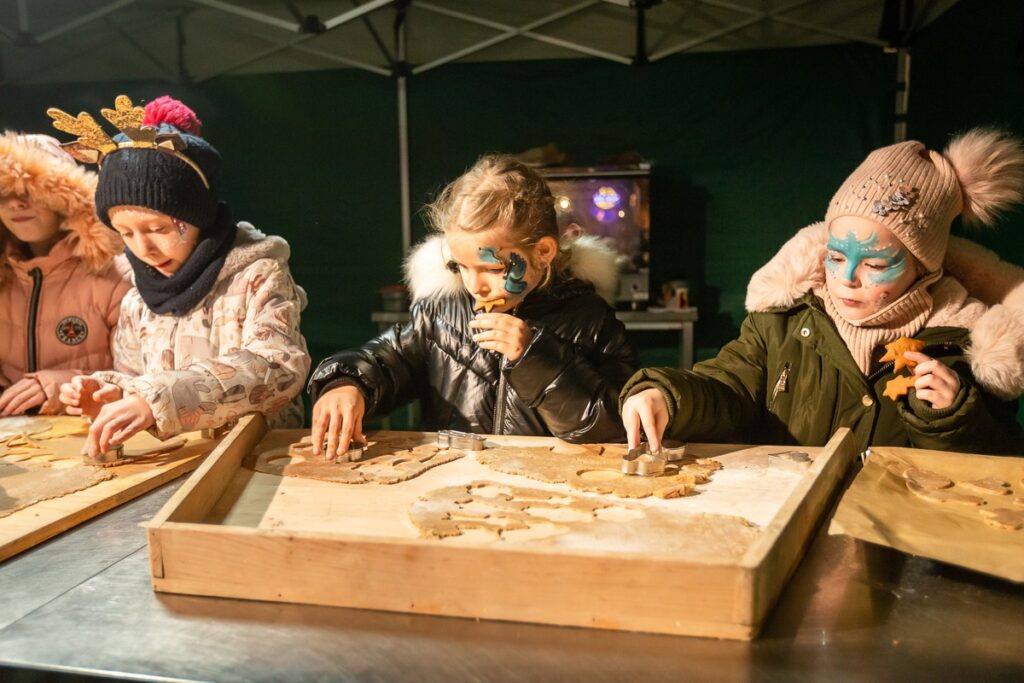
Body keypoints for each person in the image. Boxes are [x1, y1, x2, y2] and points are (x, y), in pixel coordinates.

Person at [622, 128, 1024, 455]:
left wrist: (954, 418)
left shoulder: (964, 349)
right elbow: (729, 387)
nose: (847, 276)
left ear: (925, 269)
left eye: (876, 264)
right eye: (836, 256)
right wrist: (669, 396)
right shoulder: (782, 324)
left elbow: (999, 466)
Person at [308, 154, 638, 459]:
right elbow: (388, 360)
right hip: (456, 485)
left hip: (548, 496)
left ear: (544, 252)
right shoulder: (441, 311)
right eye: (461, 266)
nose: (474, 284)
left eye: (493, 269)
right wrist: (348, 383)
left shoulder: (590, 319)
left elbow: (615, 427)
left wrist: (536, 357)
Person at [53, 95, 309, 458]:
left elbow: (279, 367)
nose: (143, 248)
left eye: (157, 228)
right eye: (125, 233)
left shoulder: (257, 275)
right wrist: (113, 394)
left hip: (262, 462)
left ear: (198, 216)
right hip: (177, 465)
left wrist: (155, 398)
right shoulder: (138, 300)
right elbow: (142, 384)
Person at [0, 132, 131, 416]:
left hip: (91, 439)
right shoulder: (3, 279)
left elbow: (140, 378)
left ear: (66, 196)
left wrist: (58, 385)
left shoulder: (115, 275)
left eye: (31, 189)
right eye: (3, 192)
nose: (15, 203)